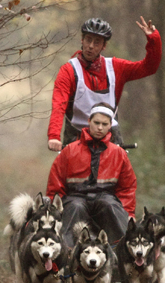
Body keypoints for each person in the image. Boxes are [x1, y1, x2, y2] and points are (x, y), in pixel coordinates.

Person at [47, 16, 161, 152]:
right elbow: (59, 104)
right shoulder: (68, 70)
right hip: (77, 134)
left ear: (104, 46)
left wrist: (153, 39)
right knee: (70, 172)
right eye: (88, 40)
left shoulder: (115, 67)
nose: (90, 46)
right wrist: (54, 136)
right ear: (82, 40)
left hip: (110, 135)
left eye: (97, 42)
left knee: (120, 172)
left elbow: (149, 68)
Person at [46, 103, 136, 250]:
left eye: (104, 124)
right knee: (75, 207)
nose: (100, 127)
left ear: (110, 126)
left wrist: (130, 213)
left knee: (111, 207)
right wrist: (52, 212)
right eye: (96, 123)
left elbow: (127, 188)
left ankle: (122, 253)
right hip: (75, 197)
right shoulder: (69, 151)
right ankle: (67, 253)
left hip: (105, 196)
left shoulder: (118, 154)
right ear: (88, 122)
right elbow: (55, 186)